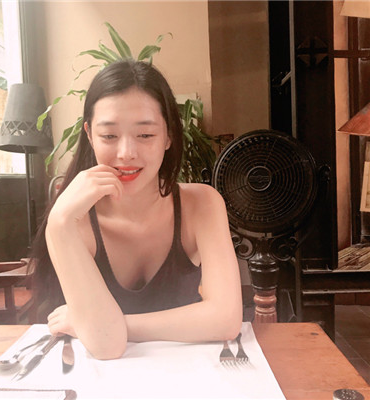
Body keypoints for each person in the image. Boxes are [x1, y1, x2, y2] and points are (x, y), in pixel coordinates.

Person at [32, 59, 242, 360]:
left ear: (169, 135)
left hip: (189, 375)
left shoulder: (202, 205)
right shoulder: (72, 221)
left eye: (145, 135)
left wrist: (105, 325)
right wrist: (59, 223)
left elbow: (226, 320)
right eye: (109, 136)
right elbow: (106, 347)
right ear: (89, 135)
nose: (126, 153)